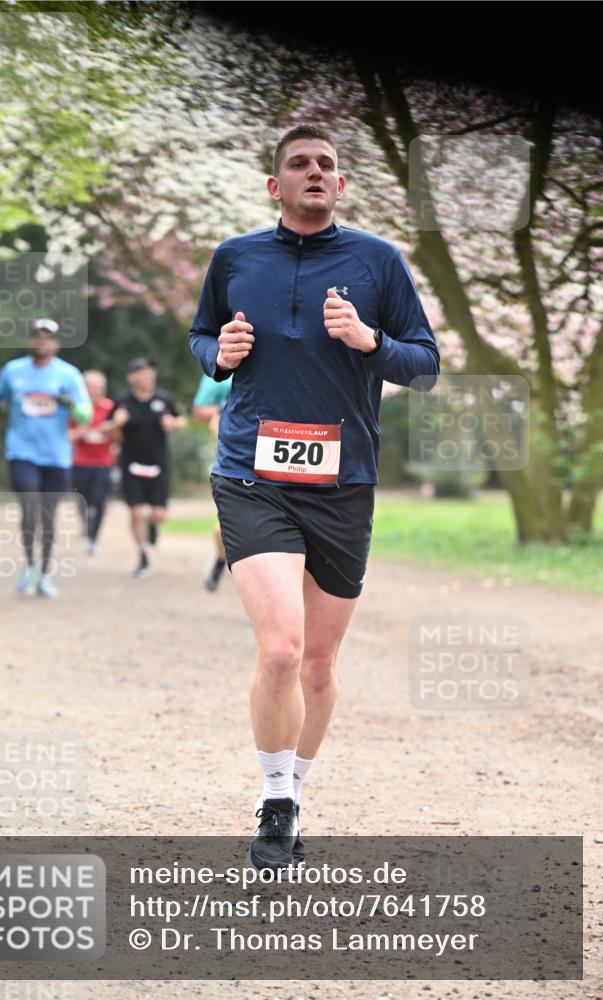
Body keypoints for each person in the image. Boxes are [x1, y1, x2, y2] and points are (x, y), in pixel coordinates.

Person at [189, 124, 440, 871]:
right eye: (298, 164)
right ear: (275, 185)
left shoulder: (376, 262)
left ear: (340, 184)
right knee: (280, 649)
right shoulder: (235, 258)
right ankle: (274, 804)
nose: (314, 173)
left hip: (342, 484)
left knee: (320, 667)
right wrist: (218, 353)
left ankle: (295, 788)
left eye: (326, 165)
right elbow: (202, 334)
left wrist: (369, 341)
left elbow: (423, 366)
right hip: (251, 475)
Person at [0, 318, 92, 597]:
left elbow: (85, 415)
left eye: (47, 337)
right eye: (37, 336)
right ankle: (30, 564)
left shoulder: (68, 374)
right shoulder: (13, 370)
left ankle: (44, 574)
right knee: (30, 508)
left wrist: (70, 405)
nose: (41, 341)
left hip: (56, 456)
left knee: (48, 516)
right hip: (22, 452)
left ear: (55, 343)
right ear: (30, 340)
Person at [112, 357, 186, 577]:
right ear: (131, 377)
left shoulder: (164, 399)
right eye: (143, 372)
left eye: (151, 372)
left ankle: (152, 526)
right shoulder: (122, 401)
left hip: (158, 464)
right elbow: (106, 430)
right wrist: (116, 423)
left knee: (158, 514)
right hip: (131, 464)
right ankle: (143, 554)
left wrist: (173, 424)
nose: (148, 376)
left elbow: (182, 420)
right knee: (136, 511)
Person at [191, 372, 233, 591]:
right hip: (232, 460)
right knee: (227, 527)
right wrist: (232, 410)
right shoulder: (221, 371)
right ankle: (220, 559)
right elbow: (199, 412)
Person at [69, 370, 116, 555]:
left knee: (99, 500)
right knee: (82, 501)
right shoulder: (77, 409)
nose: (95, 390)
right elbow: (67, 436)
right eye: (91, 386)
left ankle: (93, 539)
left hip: (104, 462)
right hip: (80, 462)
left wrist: (110, 431)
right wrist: (80, 432)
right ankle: (87, 524)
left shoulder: (111, 408)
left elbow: (121, 435)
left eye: (98, 387)